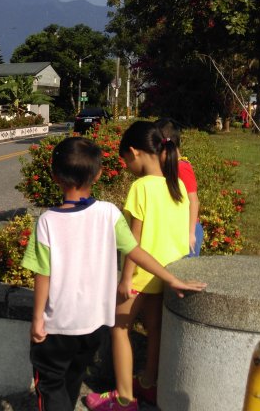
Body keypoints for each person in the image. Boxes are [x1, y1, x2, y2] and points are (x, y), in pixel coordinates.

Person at [22, 136, 206, 411]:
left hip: (58, 326)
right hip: (95, 326)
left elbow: (43, 274)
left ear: (55, 176)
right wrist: (172, 279)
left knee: (50, 384)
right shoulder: (109, 214)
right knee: (73, 377)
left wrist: (38, 319)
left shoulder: (48, 221)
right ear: (98, 174)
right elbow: (136, 251)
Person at [86, 121, 192, 411]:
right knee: (155, 329)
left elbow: (134, 239)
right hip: (167, 273)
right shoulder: (178, 186)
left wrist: (126, 277)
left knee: (120, 329)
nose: (126, 167)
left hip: (141, 274)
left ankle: (123, 398)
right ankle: (148, 383)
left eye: (125, 160)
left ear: (134, 152)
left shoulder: (140, 187)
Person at [155, 118, 203, 256]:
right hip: (178, 227)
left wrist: (190, 233)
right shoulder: (172, 167)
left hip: (188, 229)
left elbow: (194, 201)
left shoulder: (181, 167)